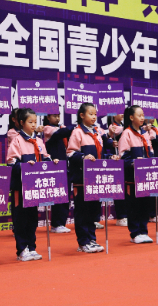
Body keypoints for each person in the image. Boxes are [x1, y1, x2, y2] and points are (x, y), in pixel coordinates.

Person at [6, 108, 58, 261]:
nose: (34, 125)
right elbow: (11, 163)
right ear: (22, 123)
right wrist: (25, 166)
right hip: (21, 188)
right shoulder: (17, 140)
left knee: (32, 219)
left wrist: (52, 162)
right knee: (20, 219)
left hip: (35, 188)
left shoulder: (39, 141)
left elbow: (45, 158)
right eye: (30, 122)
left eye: (35, 122)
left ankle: (32, 247)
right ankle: (22, 249)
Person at [67, 103, 120, 253]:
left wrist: (110, 157)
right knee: (82, 211)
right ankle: (83, 242)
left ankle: (92, 239)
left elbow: (99, 155)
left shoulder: (97, 132)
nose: (94, 117)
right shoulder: (77, 132)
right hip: (82, 180)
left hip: (96, 180)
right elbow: (70, 153)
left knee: (93, 211)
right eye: (90, 114)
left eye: (95, 114)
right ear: (82, 115)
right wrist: (83, 157)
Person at [119, 105, 154, 244]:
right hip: (132, 178)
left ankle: (143, 231)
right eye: (139, 115)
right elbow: (123, 157)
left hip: (145, 177)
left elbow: (150, 152)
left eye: (143, 115)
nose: (142, 118)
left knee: (145, 205)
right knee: (134, 206)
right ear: (131, 117)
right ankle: (135, 233)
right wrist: (135, 162)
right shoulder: (126, 133)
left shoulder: (145, 134)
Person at [43, 113, 72, 233]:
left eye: (58, 115)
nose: (57, 118)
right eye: (54, 116)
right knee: (58, 194)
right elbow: (61, 133)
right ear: (48, 117)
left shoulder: (61, 127)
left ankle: (62, 222)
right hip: (55, 166)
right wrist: (76, 126)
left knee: (65, 194)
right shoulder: (47, 129)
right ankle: (56, 223)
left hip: (65, 165)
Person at [107, 114, 127, 227]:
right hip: (115, 161)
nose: (122, 114)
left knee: (125, 189)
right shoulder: (112, 127)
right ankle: (121, 216)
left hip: (123, 161)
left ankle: (125, 215)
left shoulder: (122, 126)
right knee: (119, 189)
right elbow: (117, 131)